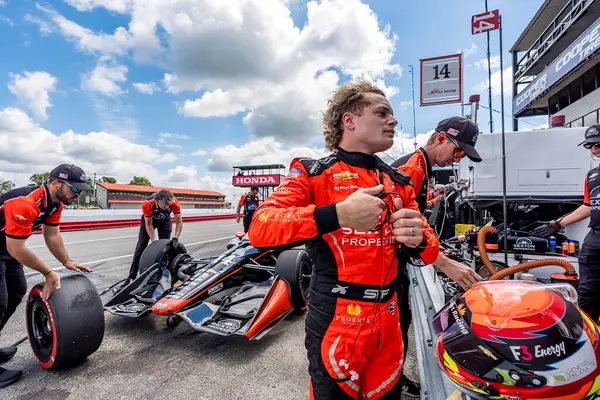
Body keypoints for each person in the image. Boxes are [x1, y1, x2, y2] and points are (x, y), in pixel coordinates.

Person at [248, 80, 440, 400]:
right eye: (382, 113)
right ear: (348, 120)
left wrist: (418, 238)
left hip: (390, 321)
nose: (392, 120)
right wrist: (337, 215)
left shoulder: (400, 182)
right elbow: (260, 228)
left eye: (392, 115)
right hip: (337, 317)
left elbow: (430, 252)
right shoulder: (312, 172)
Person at [389, 116, 483, 396]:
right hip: (382, 265)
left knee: (399, 323)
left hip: (395, 262)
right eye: (458, 151)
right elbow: (403, 223)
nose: (457, 159)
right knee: (394, 326)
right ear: (441, 138)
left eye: (463, 155)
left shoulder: (421, 166)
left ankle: (393, 379)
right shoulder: (410, 168)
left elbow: (417, 219)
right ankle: (389, 382)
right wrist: (445, 263)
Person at [0, 164, 93, 388]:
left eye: (81, 190)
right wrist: (47, 272)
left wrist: (66, 262)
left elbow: (52, 235)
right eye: (75, 189)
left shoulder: (54, 204)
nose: (78, 194)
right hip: (8, 248)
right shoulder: (24, 202)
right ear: (55, 184)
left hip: (5, 248)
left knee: (16, 293)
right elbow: (17, 249)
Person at [534, 124, 600, 323]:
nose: (595, 150)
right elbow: (588, 206)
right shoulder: (592, 176)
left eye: (598, 144)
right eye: (590, 147)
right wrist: (557, 224)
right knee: (587, 291)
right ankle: (588, 334)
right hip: (595, 237)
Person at [126, 189, 182, 282]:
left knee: (166, 248)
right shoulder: (147, 203)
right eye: (164, 205)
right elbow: (148, 224)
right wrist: (154, 241)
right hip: (150, 220)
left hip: (164, 220)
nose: (167, 207)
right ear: (157, 202)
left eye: (169, 205)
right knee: (141, 246)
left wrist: (176, 237)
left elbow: (179, 222)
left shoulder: (174, 202)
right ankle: (132, 276)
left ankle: (167, 275)